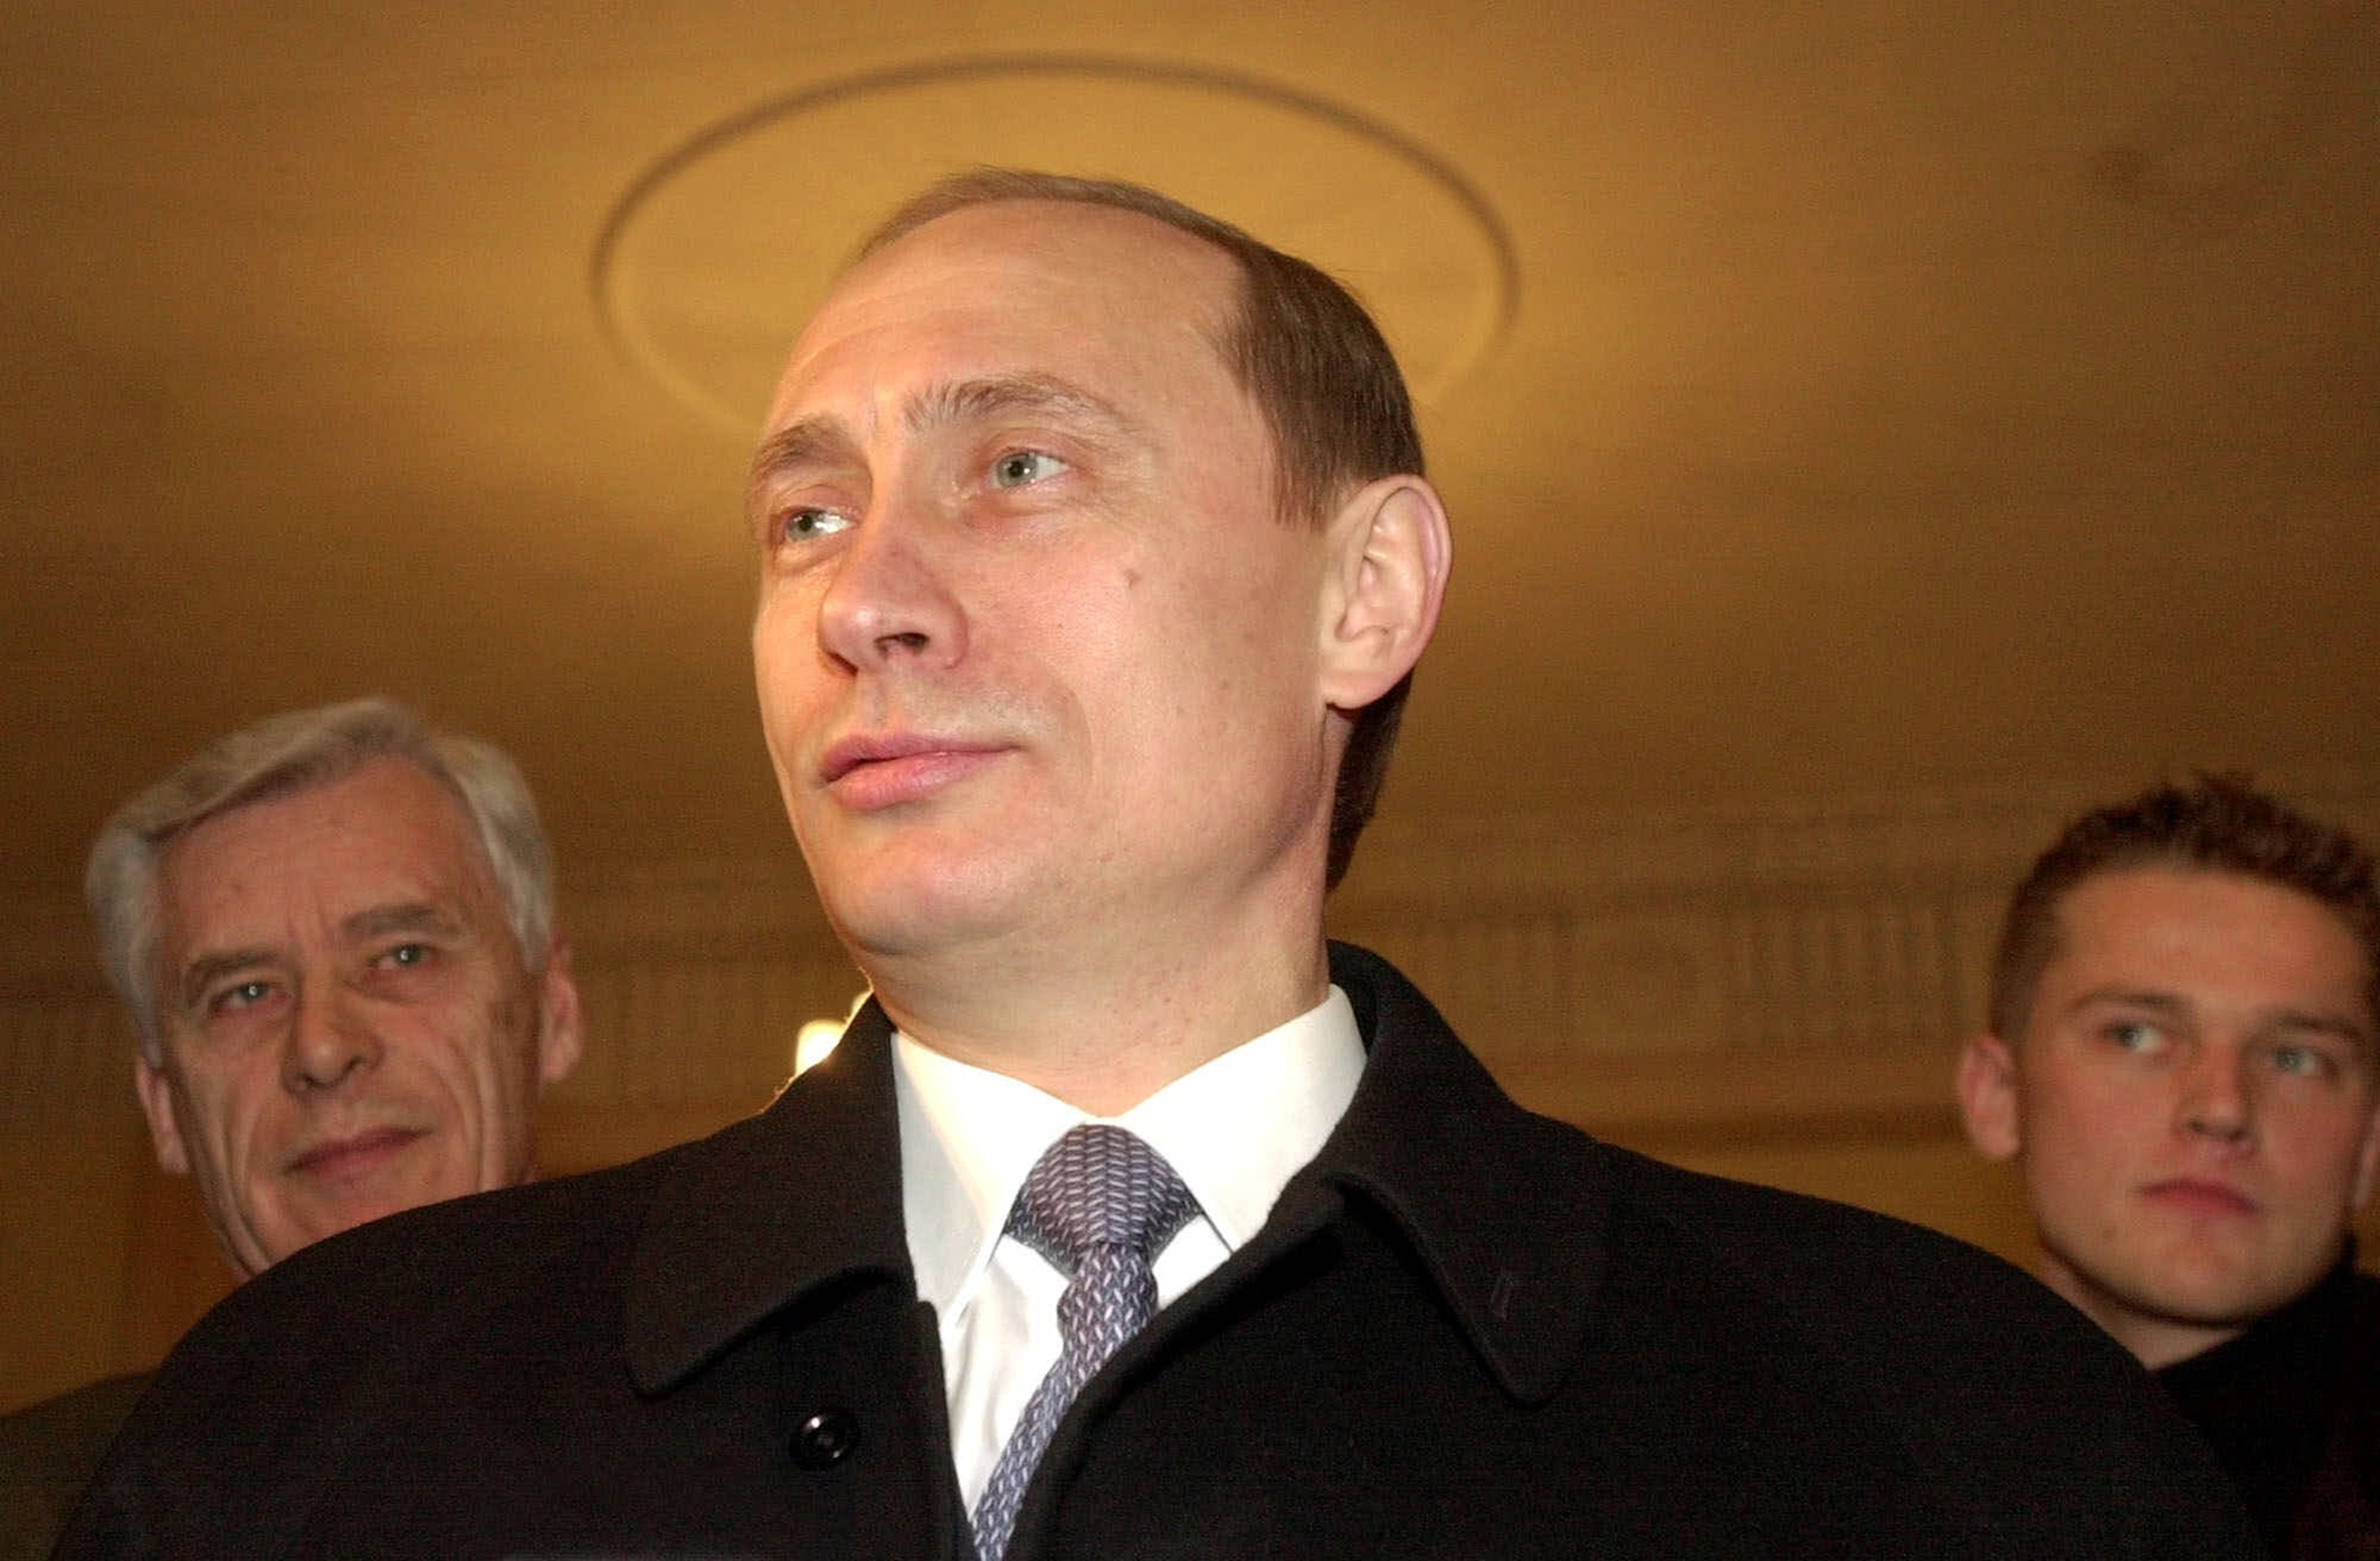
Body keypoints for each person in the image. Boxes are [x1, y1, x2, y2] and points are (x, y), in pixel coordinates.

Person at [60, 172, 2259, 1559]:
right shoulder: (317, 1431)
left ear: (1362, 594)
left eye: (1018, 464)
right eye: (805, 517)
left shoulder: (1951, 1439)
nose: (862, 597)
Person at [2, 697, 583, 1558]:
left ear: (552, 1013)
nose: (320, 1047)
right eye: (244, 993)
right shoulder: (37, 1513)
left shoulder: (761, 1441)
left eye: (402, 955)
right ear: (164, 1108)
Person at [1959, 775, 2380, 1557]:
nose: (2222, 1107)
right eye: (2136, 1036)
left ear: (2371, 1145)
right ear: (1998, 1097)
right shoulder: (1825, 1467)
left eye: (2294, 1056)